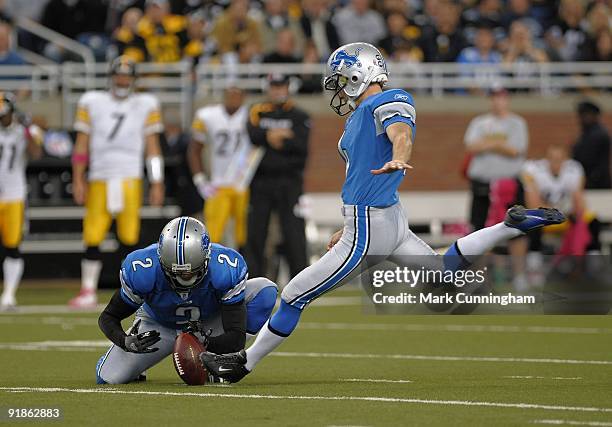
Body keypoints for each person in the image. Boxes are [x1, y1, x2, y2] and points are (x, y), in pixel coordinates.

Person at [199, 43, 564, 382]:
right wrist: (348, 226)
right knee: (441, 273)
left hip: (371, 223)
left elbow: (401, 133)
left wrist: (400, 157)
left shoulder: (388, 101)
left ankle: (241, 365)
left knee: (294, 294)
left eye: (342, 81)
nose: (339, 90)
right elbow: (358, 176)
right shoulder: (357, 119)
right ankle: (509, 225)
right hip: (385, 220)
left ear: (359, 76)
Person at [95, 216, 278, 384]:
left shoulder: (225, 267)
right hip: (159, 326)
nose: (183, 279)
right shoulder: (142, 269)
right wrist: (125, 341)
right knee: (108, 377)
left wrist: (206, 343)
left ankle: (222, 363)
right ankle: (137, 368)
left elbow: (236, 336)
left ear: (207, 258)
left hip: (209, 323)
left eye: (191, 272)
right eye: (175, 273)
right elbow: (108, 316)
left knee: (265, 290)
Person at [69, 56, 165, 308]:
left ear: (134, 79)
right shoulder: (92, 101)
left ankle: (133, 288)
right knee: (92, 233)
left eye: (127, 75)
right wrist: (78, 177)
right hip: (99, 175)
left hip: (129, 176)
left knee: (130, 236)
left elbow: (152, 148)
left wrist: (157, 180)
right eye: (119, 75)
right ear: (111, 77)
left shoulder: (145, 103)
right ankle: (88, 289)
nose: (122, 80)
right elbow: (82, 144)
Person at [244, 73, 310, 279]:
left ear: (288, 88)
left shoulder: (300, 115)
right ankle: (253, 280)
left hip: (289, 181)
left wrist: (273, 138)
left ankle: (301, 280)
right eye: (274, 86)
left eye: (281, 86)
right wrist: (273, 136)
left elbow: (301, 146)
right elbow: (252, 134)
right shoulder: (258, 111)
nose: (278, 91)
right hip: (261, 181)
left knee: (294, 232)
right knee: (256, 233)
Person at [187, 87, 253, 249]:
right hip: (218, 185)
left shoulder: (252, 115)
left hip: (243, 184)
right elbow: (194, 150)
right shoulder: (208, 115)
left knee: (245, 236)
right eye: (230, 96)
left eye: (237, 96)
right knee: (211, 236)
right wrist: (200, 180)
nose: (233, 100)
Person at [0, 92, 42, 310]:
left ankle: (8, 295)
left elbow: (36, 153)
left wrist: (26, 129)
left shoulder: (22, 132)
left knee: (12, 246)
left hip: (14, 196)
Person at [522, 143, 601, 255]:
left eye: (559, 159)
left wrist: (575, 214)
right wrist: (554, 213)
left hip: (565, 216)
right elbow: (533, 205)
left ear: (565, 159)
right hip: (544, 216)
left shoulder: (573, 169)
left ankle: (592, 257)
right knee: (533, 222)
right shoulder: (533, 170)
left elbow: (579, 200)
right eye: (552, 159)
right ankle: (534, 261)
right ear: (546, 159)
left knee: (592, 222)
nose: (556, 163)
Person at [572, 101, 611, 189]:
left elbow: (585, 158)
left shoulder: (597, 134)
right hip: (590, 180)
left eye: (584, 115)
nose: (580, 119)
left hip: (596, 182)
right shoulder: (588, 133)